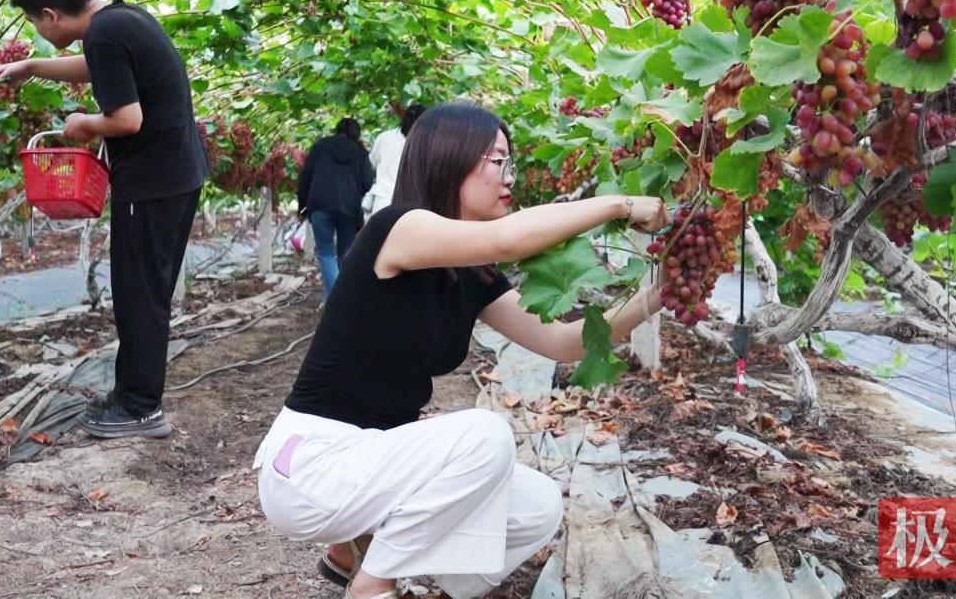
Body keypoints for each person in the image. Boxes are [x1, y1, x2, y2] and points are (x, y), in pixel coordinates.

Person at [253, 102, 670, 599]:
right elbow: (507, 239)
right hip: (310, 466)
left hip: (371, 466)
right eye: (498, 161)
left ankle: (373, 556)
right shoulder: (398, 228)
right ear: (450, 158)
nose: (509, 176)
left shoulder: (471, 277)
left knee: (537, 503)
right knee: (484, 436)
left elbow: (562, 342)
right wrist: (619, 205)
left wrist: (659, 295)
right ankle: (373, 583)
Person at [0, 0, 209, 439]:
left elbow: (127, 120)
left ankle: (141, 407)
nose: (38, 33)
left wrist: (84, 124)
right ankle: (132, 391)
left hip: (152, 181)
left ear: (50, 15)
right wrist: (31, 66)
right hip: (176, 173)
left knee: (139, 294)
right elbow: (98, 67)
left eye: (33, 24)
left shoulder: (105, 34)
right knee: (144, 289)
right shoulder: (120, 18)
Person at [297, 117, 374, 298]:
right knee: (345, 256)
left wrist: (302, 205)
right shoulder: (360, 153)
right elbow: (368, 182)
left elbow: (305, 176)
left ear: (336, 130)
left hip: (320, 206)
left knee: (325, 253)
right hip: (349, 209)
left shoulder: (321, 146)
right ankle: (343, 301)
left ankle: (333, 299)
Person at [364, 102, 425, 216]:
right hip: (413, 204)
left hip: (383, 200)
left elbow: (371, 162)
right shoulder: (426, 143)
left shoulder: (385, 137)